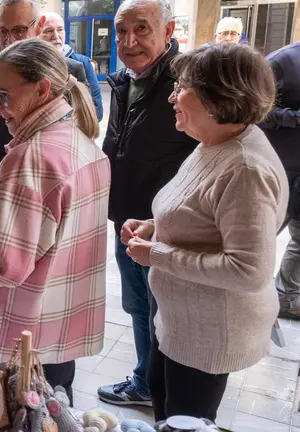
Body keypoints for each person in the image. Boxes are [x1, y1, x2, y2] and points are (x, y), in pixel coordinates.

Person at [0, 38, 108, 405]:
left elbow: (2, 267)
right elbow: (52, 232)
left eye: (3, 97)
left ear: (42, 89)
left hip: (17, 336)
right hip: (58, 329)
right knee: (52, 417)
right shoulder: (83, 143)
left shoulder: (30, 158)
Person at [125, 43, 288, 422]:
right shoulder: (214, 143)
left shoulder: (246, 168)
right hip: (178, 325)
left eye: (181, 86)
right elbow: (201, 215)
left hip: (208, 338)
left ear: (218, 97)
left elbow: (249, 271)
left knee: (185, 421)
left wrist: (157, 255)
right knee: (164, 412)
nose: (171, 97)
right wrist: (155, 227)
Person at [96, 0, 198, 408]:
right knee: (139, 304)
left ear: (169, 30)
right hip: (127, 218)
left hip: (165, 226)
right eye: (121, 32)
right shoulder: (126, 79)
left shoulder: (185, 79)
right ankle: (144, 380)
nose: (129, 41)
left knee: (165, 312)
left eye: (142, 29)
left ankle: (167, 394)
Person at [0, 0, 88, 204]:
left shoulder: (71, 72)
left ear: (40, 25)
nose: (9, 40)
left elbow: (81, 139)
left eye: (18, 30)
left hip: (56, 199)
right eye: (2, 32)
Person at [260, 42, 300, 319]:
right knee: (259, 235)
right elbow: (256, 111)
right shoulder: (282, 61)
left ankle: (286, 296)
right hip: (281, 169)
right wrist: (295, 118)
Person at [41, 12, 104, 121]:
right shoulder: (32, 64)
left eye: (60, 30)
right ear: (38, 33)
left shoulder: (82, 63)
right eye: (49, 31)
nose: (56, 36)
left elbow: (97, 111)